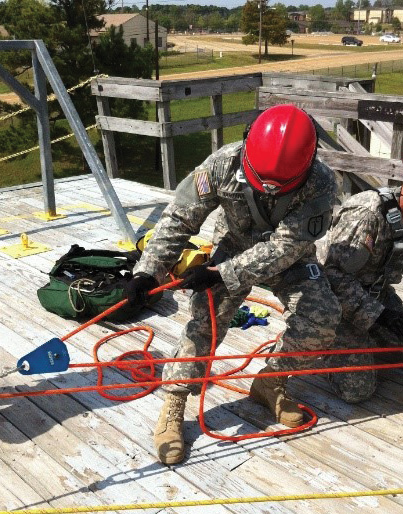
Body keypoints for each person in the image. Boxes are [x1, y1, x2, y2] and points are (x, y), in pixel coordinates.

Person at [128, 104, 341, 465]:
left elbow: (285, 248)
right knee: (205, 321)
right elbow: (180, 217)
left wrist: (221, 273)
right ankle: (175, 402)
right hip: (233, 246)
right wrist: (148, 271)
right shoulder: (222, 165)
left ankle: (271, 381)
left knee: (321, 316)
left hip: (288, 259)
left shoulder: (322, 183)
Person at [322, 186, 403, 403]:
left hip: (377, 296)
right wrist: (378, 316)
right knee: (357, 390)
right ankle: (322, 342)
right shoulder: (366, 215)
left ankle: (368, 340)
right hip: (337, 303)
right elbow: (332, 276)